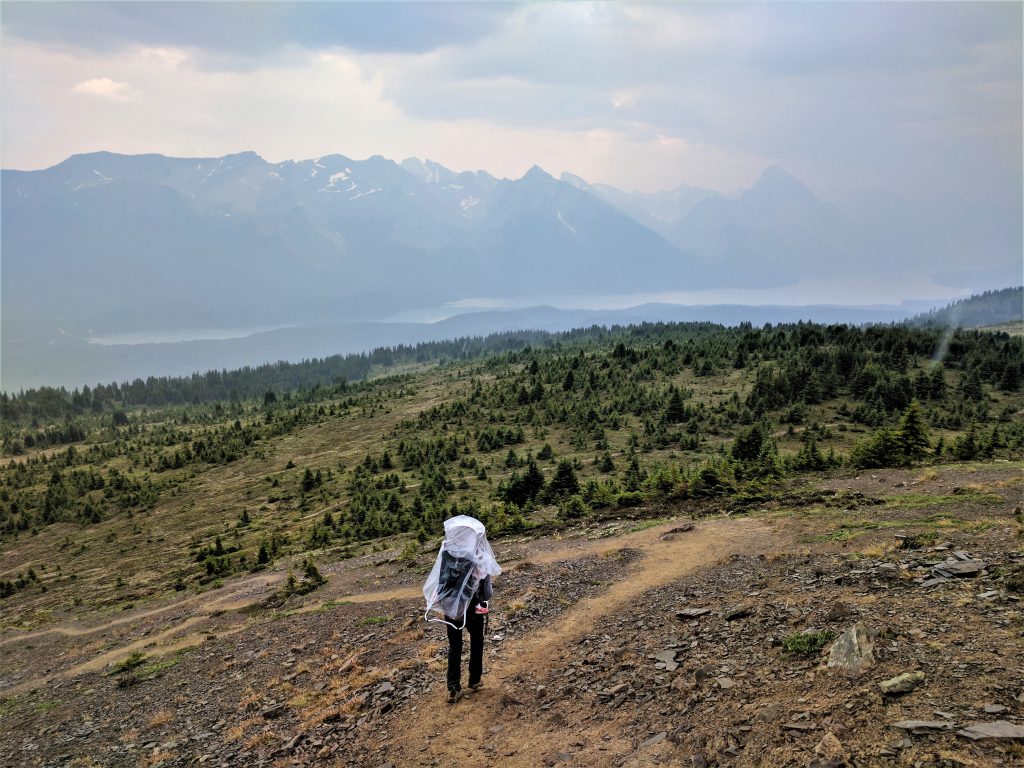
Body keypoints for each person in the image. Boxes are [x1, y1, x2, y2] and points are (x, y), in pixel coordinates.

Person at [422, 515, 501, 703]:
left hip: (451, 608)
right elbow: (486, 590)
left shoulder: (447, 553)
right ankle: (474, 679)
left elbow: (441, 581)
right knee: (476, 639)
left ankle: (453, 687)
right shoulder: (479, 557)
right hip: (472, 607)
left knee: (455, 645)